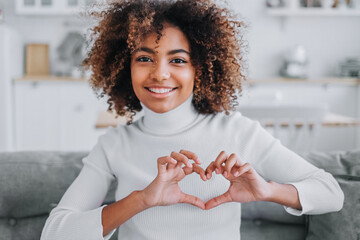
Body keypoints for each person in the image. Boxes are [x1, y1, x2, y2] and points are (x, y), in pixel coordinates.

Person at [41, 0, 344, 239]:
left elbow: (332, 193)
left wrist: (268, 191)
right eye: (144, 58)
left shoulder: (237, 131)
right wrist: (142, 199)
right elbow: (56, 234)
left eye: (178, 60)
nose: (160, 74)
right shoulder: (113, 145)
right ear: (125, 68)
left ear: (200, 69)